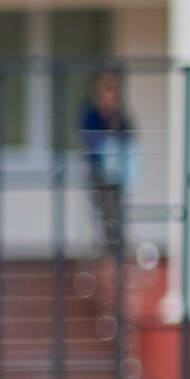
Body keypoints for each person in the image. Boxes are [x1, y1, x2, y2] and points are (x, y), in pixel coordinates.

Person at [79, 70, 133, 259]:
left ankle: (117, 249)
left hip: (116, 174)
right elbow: (89, 140)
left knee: (116, 212)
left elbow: (128, 137)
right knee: (102, 212)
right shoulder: (91, 115)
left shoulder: (120, 116)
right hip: (97, 173)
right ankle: (104, 249)